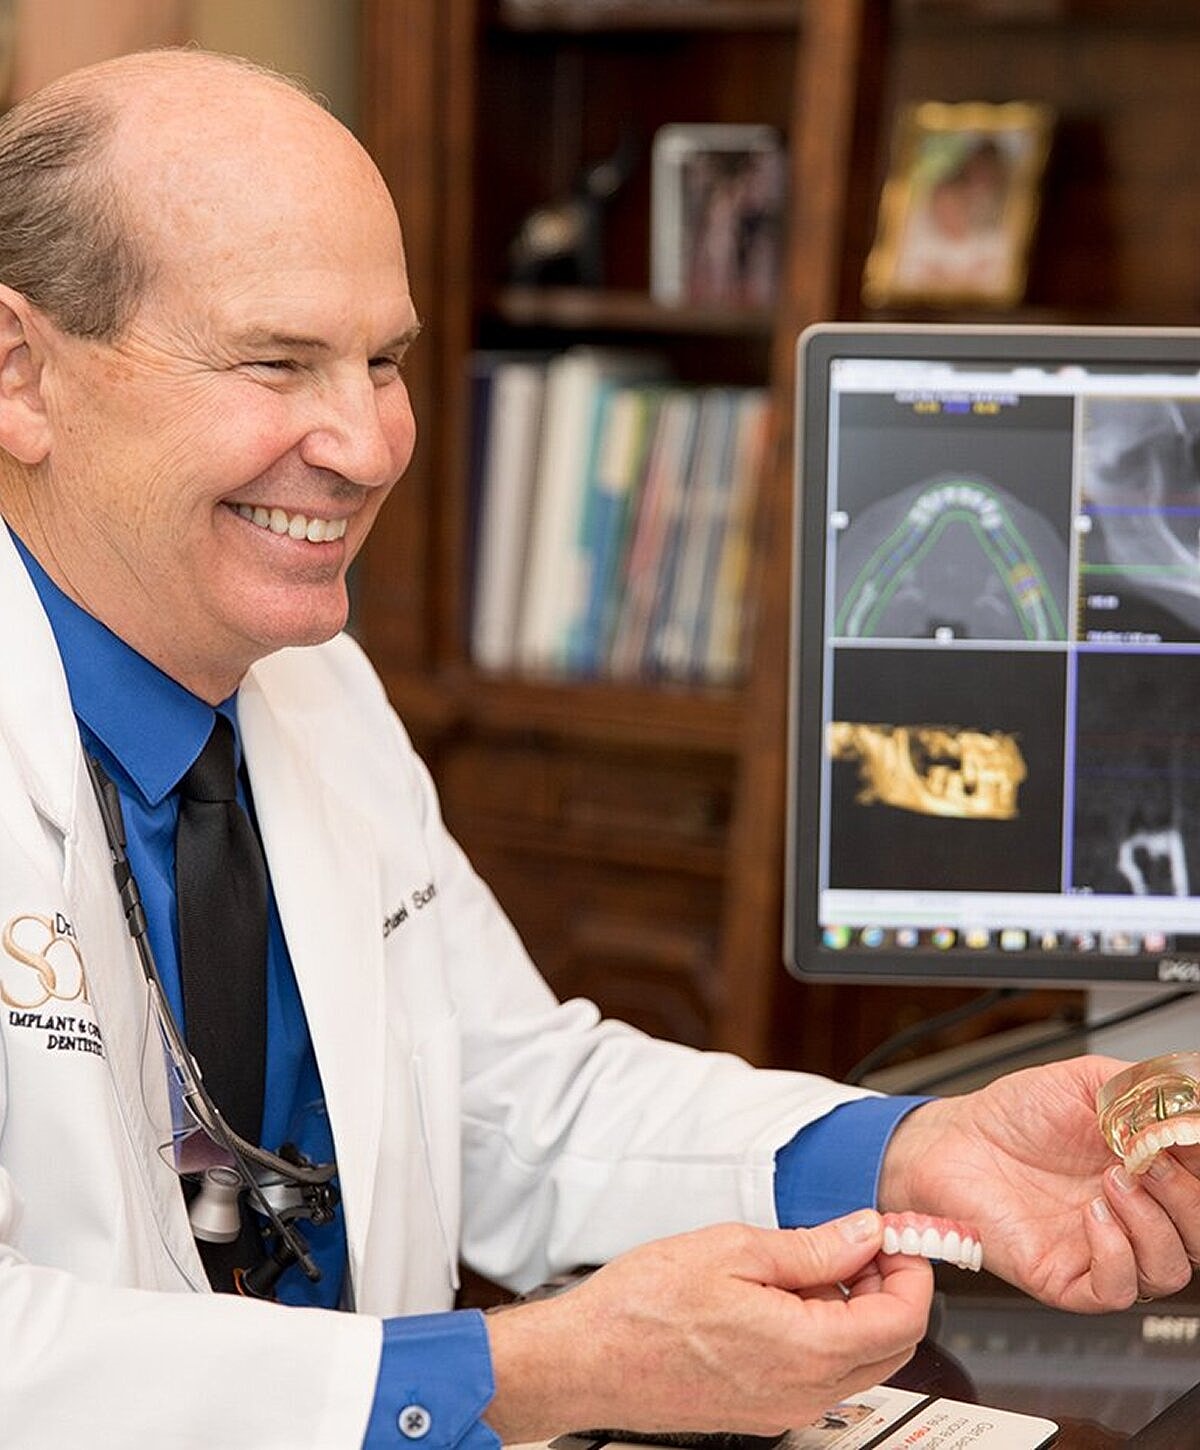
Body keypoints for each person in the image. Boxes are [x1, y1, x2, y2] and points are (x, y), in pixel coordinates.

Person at [0, 49, 1197, 1450]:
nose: (373, 442)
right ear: (21, 371)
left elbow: (515, 1097)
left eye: (383, 360)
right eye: (277, 361)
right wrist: (532, 1371)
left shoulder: (313, 692)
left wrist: (920, 1146)